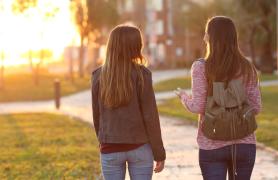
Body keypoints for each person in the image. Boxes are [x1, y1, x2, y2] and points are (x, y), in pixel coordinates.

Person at [175, 16, 261, 180]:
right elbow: (256, 107)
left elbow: (198, 107)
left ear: (211, 37)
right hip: (244, 144)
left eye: (206, 33)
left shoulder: (201, 67)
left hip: (212, 144)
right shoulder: (247, 67)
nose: (204, 37)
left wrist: (184, 97)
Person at [91, 25, 166, 180]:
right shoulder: (142, 75)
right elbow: (150, 116)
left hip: (110, 148)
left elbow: (96, 116)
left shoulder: (98, 75)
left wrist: (104, 140)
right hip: (140, 148)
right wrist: (159, 152)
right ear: (135, 47)